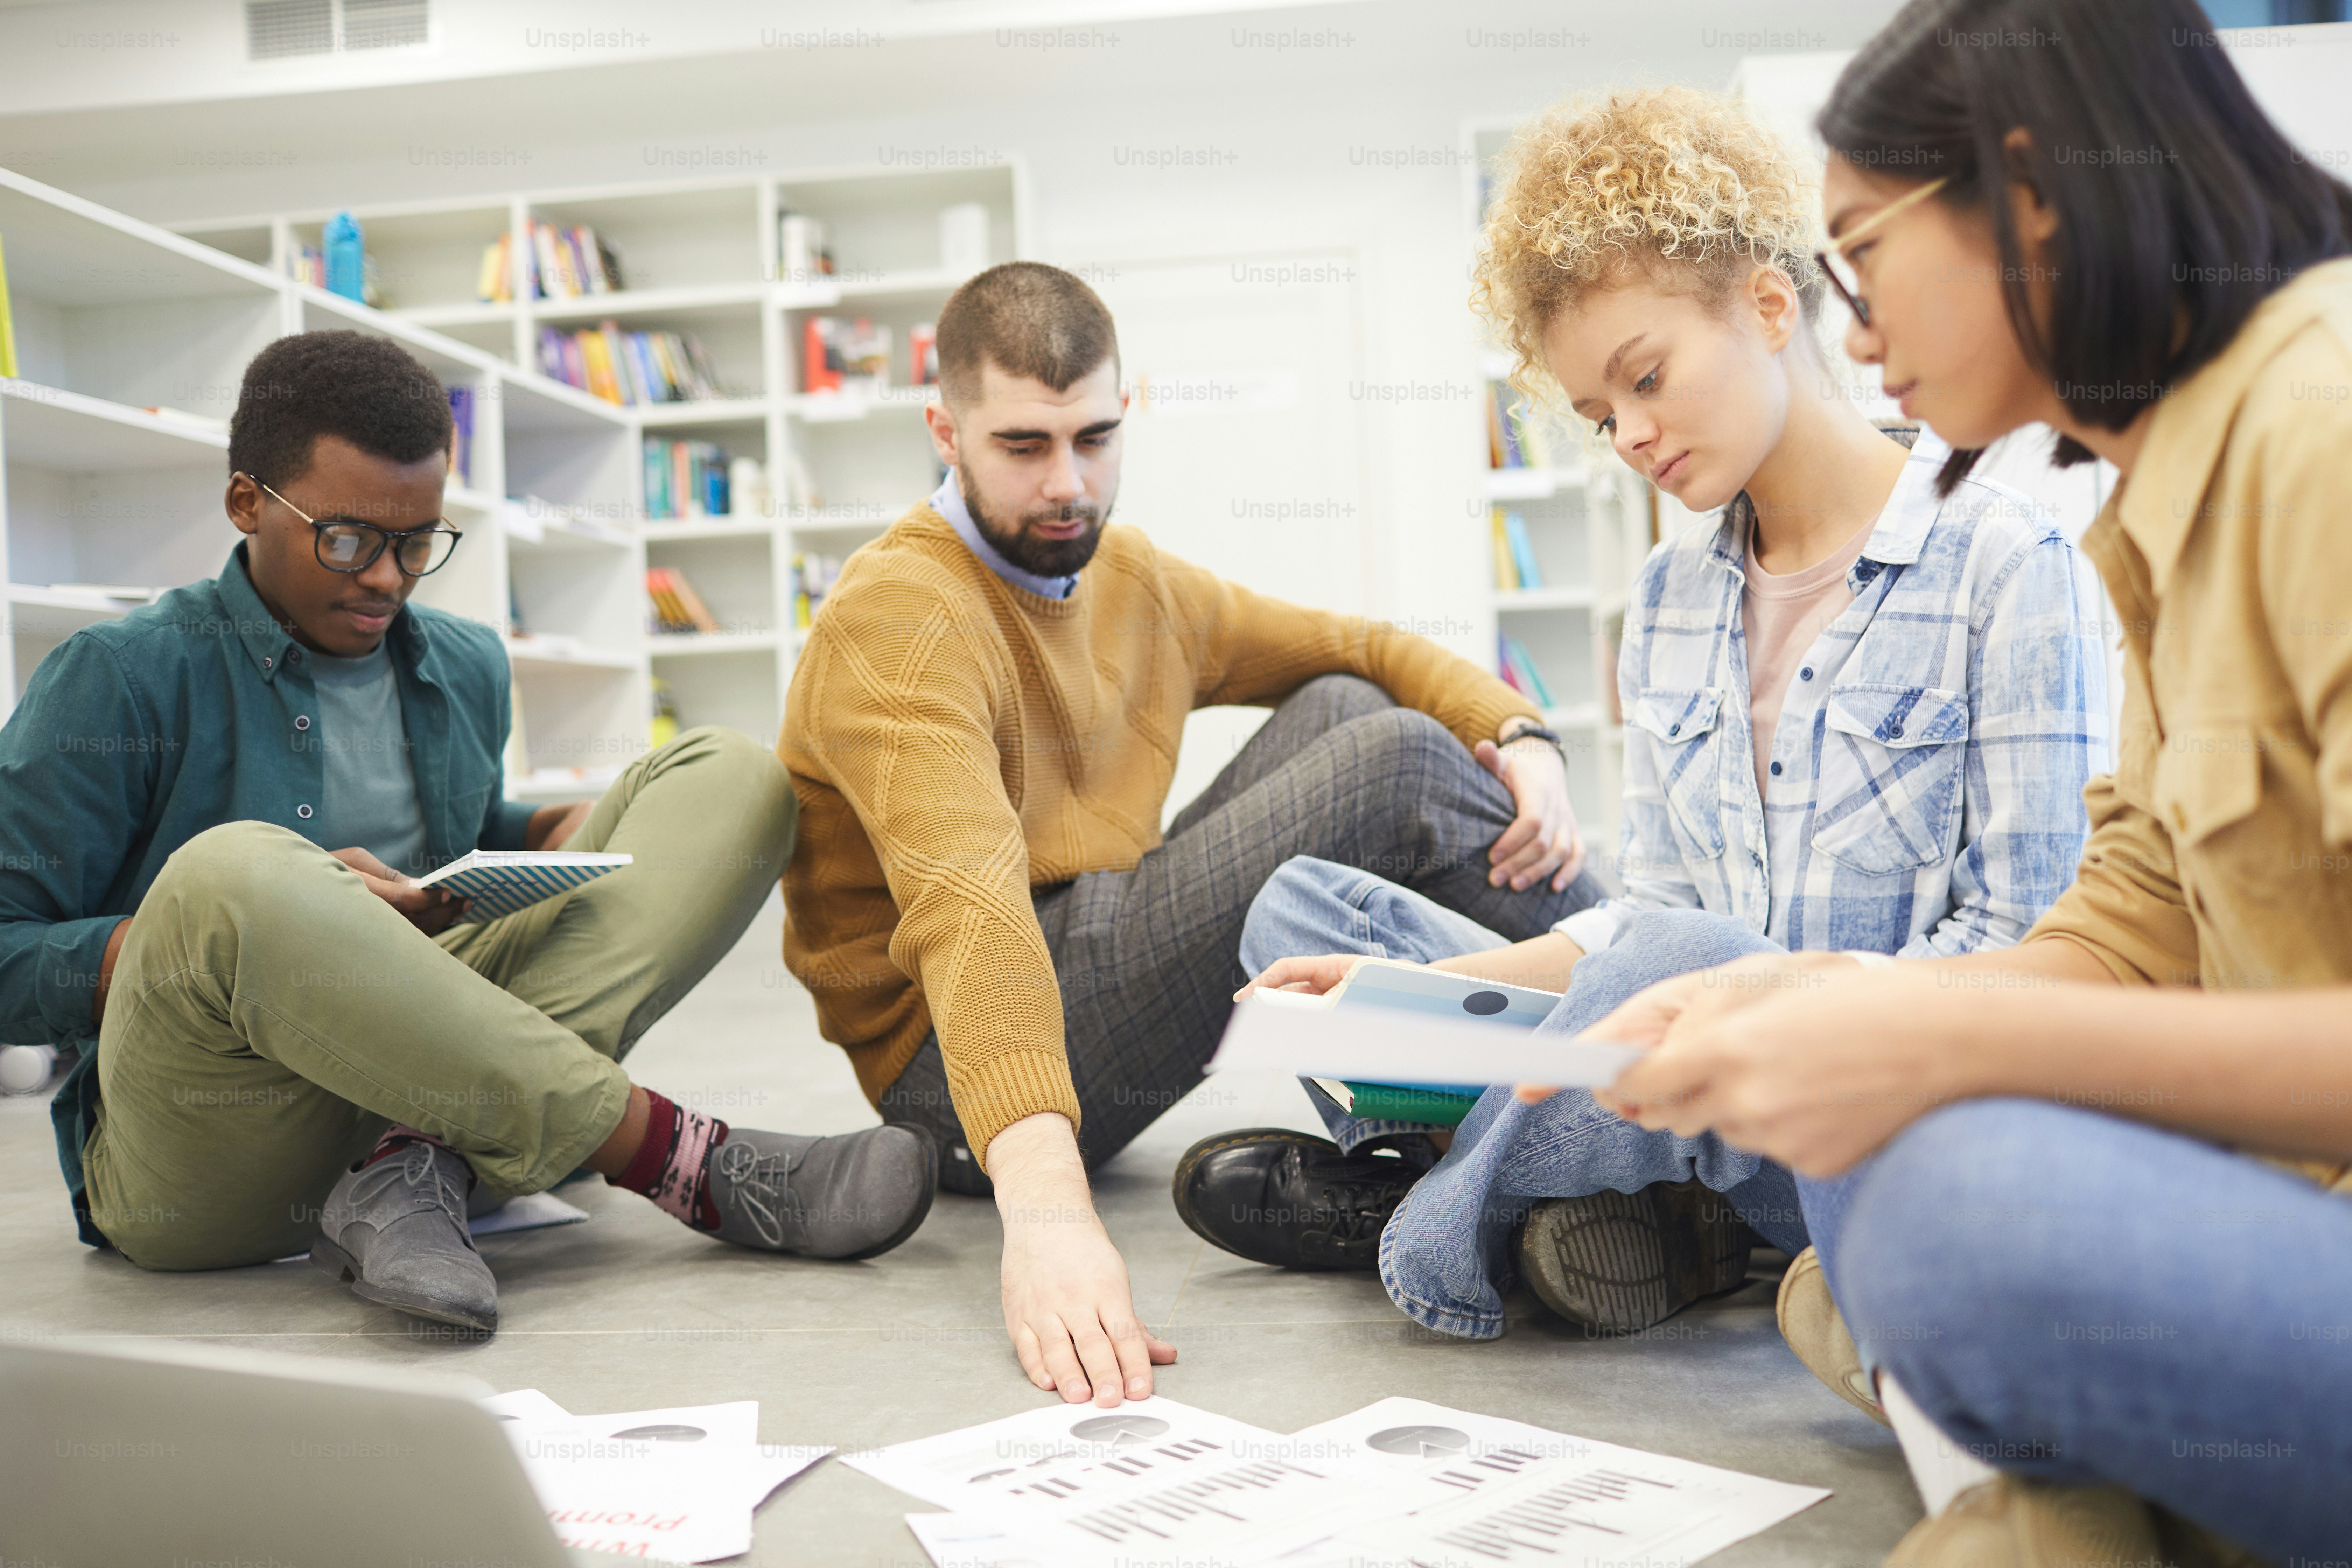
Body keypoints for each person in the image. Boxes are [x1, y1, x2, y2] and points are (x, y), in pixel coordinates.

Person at [1545, 3, 2352, 1562]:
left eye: (1862, 255)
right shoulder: (2162, 497)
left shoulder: (2316, 434)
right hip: (2269, 1203)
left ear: (2031, 192)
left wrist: (1931, 1027)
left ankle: (2062, 1491)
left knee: (1945, 1212)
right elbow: (2132, 911)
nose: (1856, 331)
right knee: (1877, 1157)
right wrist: (1835, 1001)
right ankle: (2095, 1472)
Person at [1180, 86, 2109, 1345]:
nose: (1631, 436)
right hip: (1676, 1059)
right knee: (1300, 917)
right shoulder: (1670, 598)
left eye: (1647, 379)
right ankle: (1629, 1203)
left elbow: (2028, 954)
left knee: (1687, 969)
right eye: (1600, 415)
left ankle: (1438, 1218)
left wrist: (1748, 993)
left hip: (1872, 1113)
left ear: (1772, 307)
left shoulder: (2007, 563)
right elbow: (1652, 912)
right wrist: (1417, 987)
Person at [780, 261, 1605, 1407]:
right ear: (945, 431)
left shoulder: (1131, 579)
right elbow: (971, 914)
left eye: (1096, 438)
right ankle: (1678, 1011)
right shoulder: (901, 618)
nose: (1069, 484)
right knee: (1394, 759)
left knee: (1349, 708)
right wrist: (1051, 1213)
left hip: (1089, 963)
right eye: (1024, 446)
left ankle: (1480, 1126)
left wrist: (1520, 733)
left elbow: (1357, 644)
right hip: (954, 1079)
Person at [0, 331, 935, 1335]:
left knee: (734, 776)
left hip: (442, 1096)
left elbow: (464, 828)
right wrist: (249, 931)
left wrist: (573, 837)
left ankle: (409, 1172)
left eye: (419, 543)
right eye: (350, 539)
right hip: (217, 1147)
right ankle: (678, 1158)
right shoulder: (121, 675)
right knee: (236, 870)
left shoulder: (466, 663)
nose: (389, 579)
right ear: (246, 504)